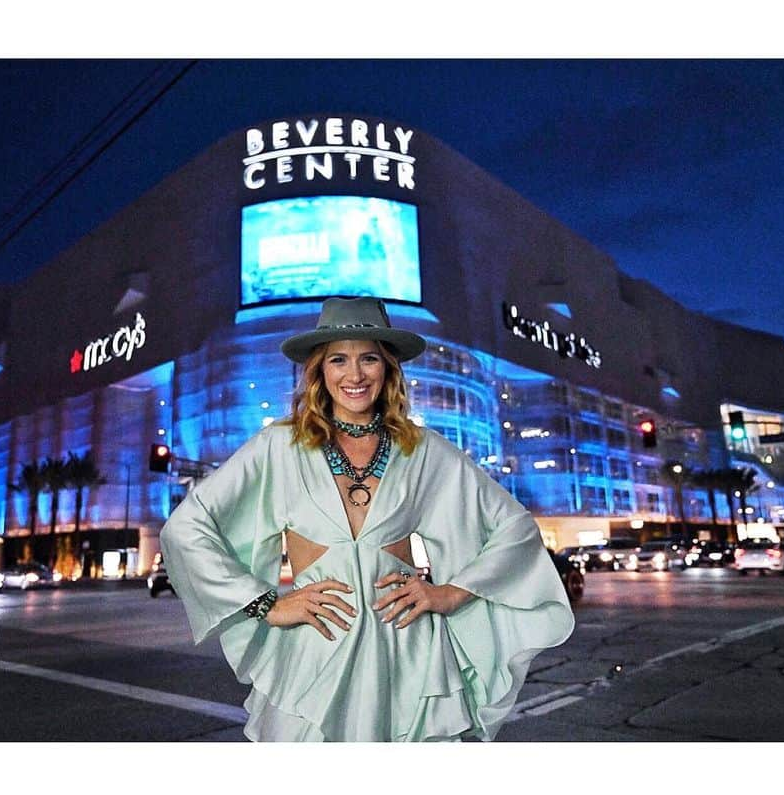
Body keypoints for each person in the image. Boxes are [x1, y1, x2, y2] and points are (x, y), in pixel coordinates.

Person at [160, 296, 574, 741]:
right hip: (314, 653)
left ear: (388, 369)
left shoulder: (423, 449)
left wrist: (452, 593)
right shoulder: (279, 447)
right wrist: (267, 604)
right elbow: (186, 529)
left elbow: (514, 527)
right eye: (339, 359)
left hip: (409, 655)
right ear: (319, 370)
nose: (354, 375)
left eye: (369, 359)